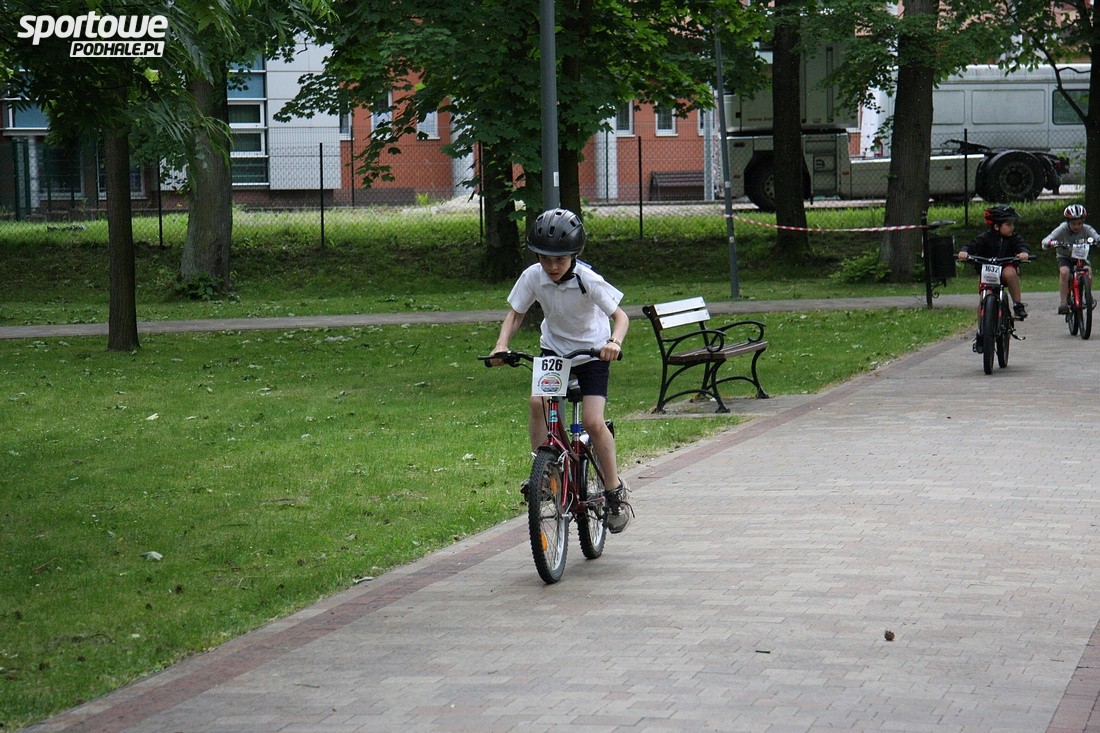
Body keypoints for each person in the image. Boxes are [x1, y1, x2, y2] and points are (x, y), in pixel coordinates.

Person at [488, 208, 632, 533]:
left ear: (574, 256)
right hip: (554, 351)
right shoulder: (532, 276)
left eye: (560, 260)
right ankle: (543, 471)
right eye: (545, 259)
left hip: (592, 353)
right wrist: (501, 344)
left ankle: (614, 491)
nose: (552, 267)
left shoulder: (587, 280)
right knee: (537, 403)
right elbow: (515, 314)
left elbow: (621, 317)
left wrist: (614, 342)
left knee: (593, 422)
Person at [958, 204, 1031, 352]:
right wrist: (964, 252)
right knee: (984, 299)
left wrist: (1023, 253)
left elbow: (1022, 246)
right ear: (996, 226)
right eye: (1008, 225)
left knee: (1010, 273)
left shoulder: (1013, 239)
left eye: (1013, 224)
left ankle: (1017, 304)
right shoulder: (985, 238)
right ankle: (981, 332)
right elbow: (971, 246)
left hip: (1005, 268)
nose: (1012, 228)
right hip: (988, 272)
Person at [1041, 204, 1099, 314]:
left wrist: (1097, 241)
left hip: (1081, 255)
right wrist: (1049, 243)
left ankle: (1087, 295)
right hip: (1065, 256)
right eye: (1073, 224)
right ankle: (1063, 302)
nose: (1077, 226)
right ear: (1068, 222)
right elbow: (1048, 239)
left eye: (1079, 223)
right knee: (1064, 272)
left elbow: (1096, 236)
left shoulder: (1087, 229)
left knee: (1088, 272)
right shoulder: (1062, 229)